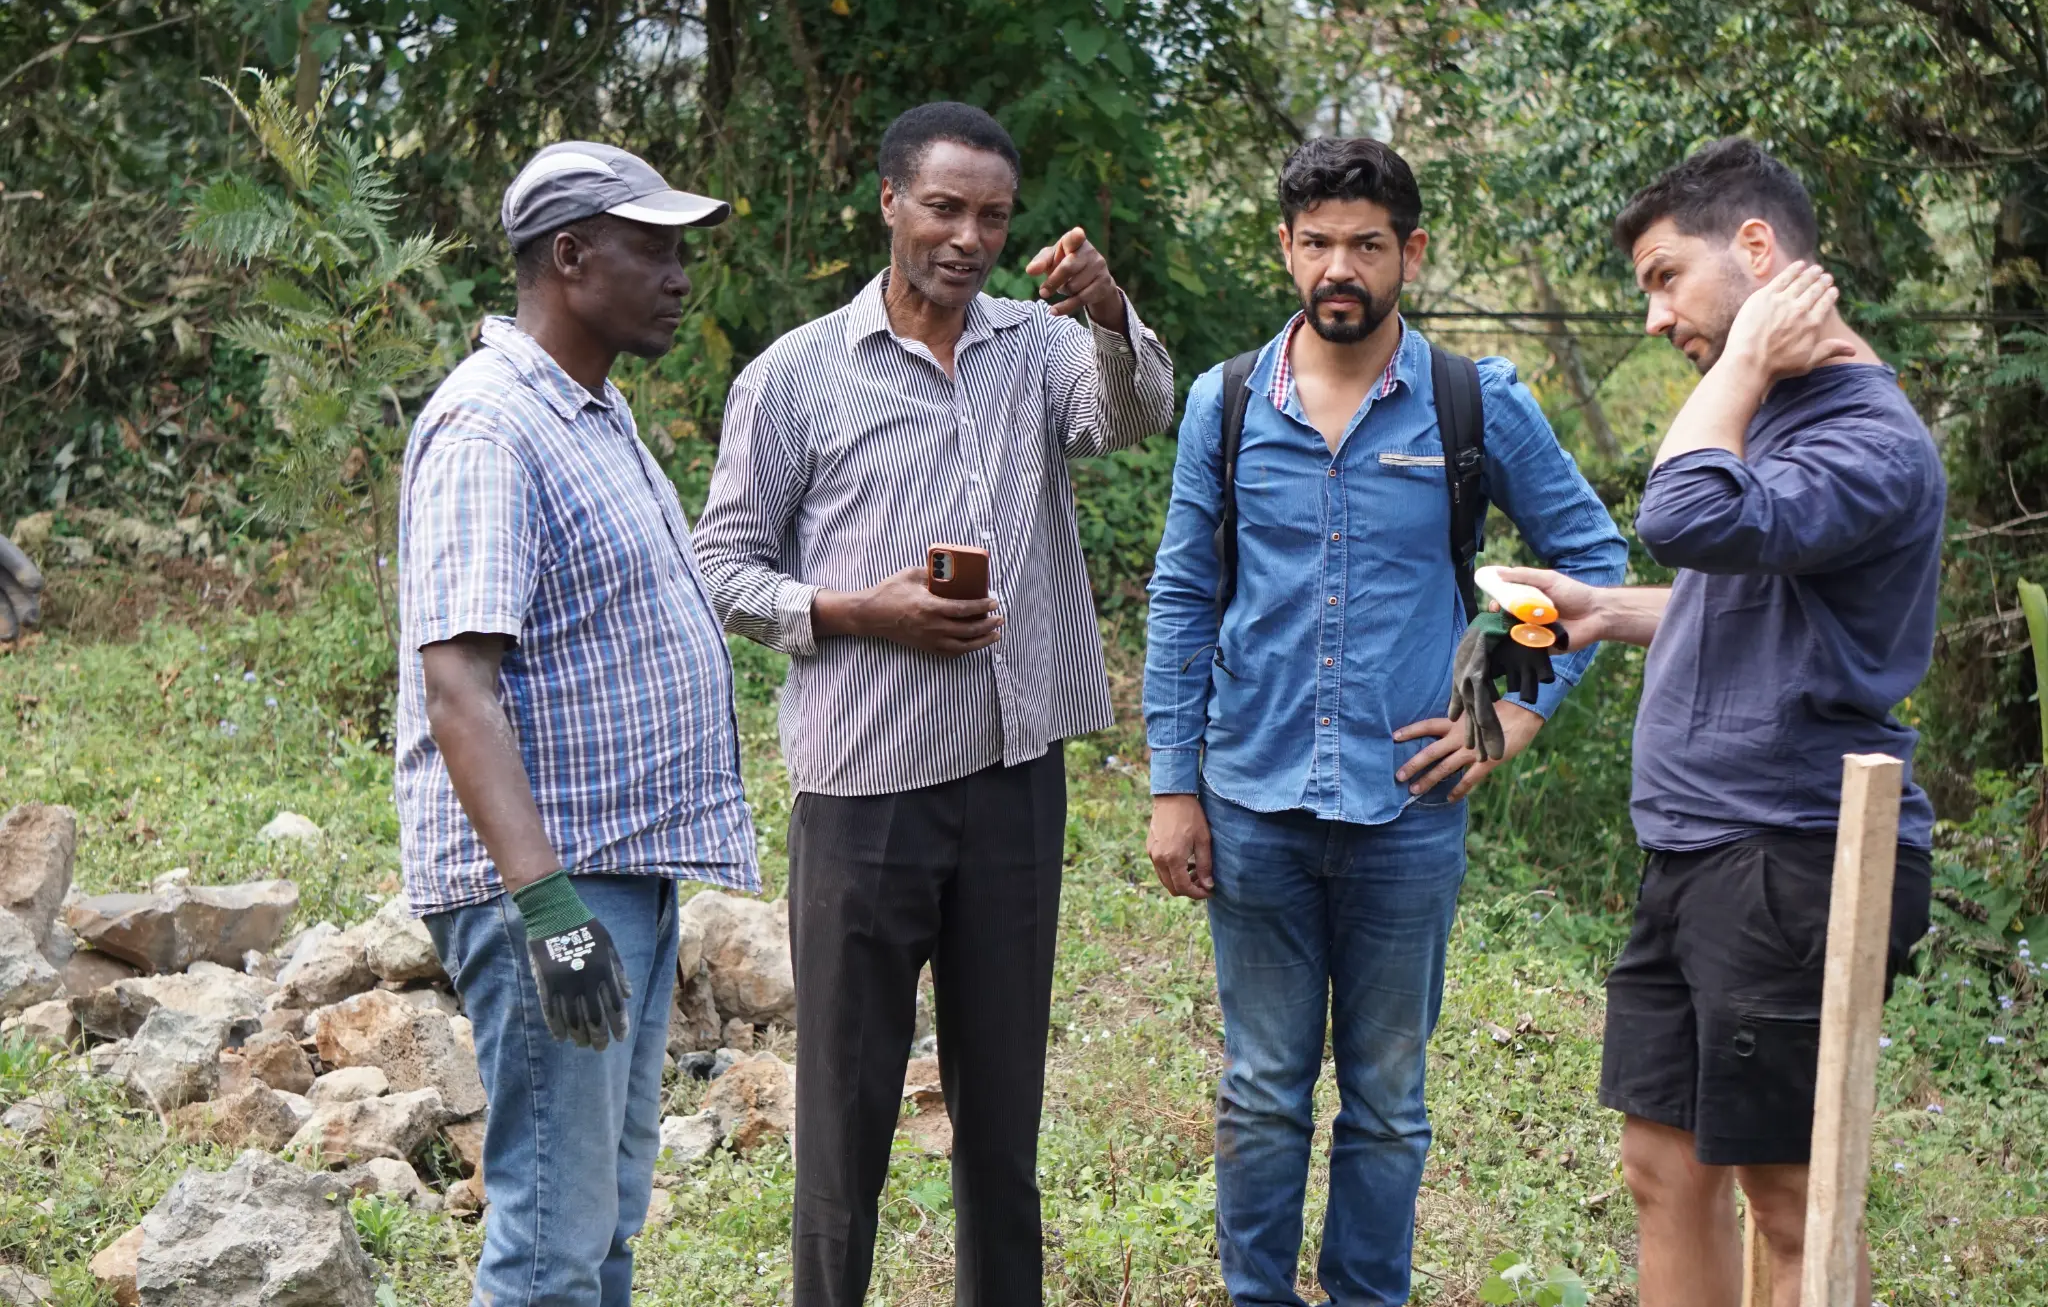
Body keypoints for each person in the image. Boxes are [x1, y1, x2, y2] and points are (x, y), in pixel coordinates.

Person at [692, 100, 1175, 1307]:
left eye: (992, 218)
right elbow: (720, 570)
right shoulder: (796, 376)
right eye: (945, 209)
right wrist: (861, 609)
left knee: (1001, 1115)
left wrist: (1107, 312)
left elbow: (1131, 415)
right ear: (890, 204)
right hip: (863, 792)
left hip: (1013, 778)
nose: (967, 238)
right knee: (846, 1111)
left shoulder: (1036, 346)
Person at [1142, 136, 1628, 1306]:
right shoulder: (1223, 403)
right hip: (1251, 798)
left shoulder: (1472, 402)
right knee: (1261, 1089)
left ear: (1409, 254)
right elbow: (1182, 595)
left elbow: (1589, 558)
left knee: (1387, 1101)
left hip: (1407, 809)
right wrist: (1170, 783)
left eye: (1365, 245)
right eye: (1316, 244)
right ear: (1284, 249)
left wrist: (1515, 709)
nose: (1338, 268)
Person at [1495, 138, 1941, 1307]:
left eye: (1663, 278)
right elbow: (1755, 593)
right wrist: (1605, 612)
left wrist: (1740, 359)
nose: (1654, 317)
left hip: (1791, 852)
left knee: (1789, 1198)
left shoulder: (1867, 439)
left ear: (1755, 248)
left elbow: (1681, 512)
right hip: (1700, 849)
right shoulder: (1783, 424)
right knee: (1662, 1168)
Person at [394, 141, 759, 1307]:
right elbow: (458, 686)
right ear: (568, 256)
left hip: (615, 868)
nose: (679, 277)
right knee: (551, 1237)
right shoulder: (490, 427)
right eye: (651, 250)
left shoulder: (588, 413)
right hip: (549, 887)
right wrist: (549, 913)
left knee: (600, 1225)